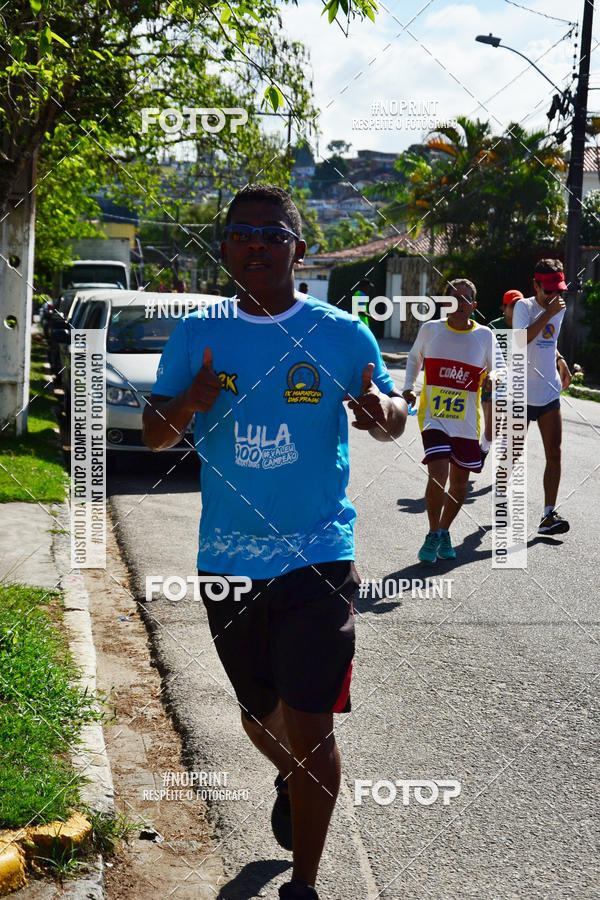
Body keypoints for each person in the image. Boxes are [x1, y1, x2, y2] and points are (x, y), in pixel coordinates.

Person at [142, 183, 407, 900]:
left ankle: (307, 884)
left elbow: (392, 416)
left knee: (312, 722)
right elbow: (154, 433)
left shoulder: (342, 334)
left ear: (298, 248)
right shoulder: (199, 334)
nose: (256, 245)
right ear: (225, 247)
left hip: (319, 554)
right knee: (258, 713)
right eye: (241, 233)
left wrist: (382, 409)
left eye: (271, 234)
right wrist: (187, 405)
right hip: (227, 560)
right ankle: (291, 776)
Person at [402, 278, 504, 563]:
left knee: (460, 482)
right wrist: (409, 386)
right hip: (433, 417)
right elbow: (414, 358)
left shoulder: (485, 336)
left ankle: (445, 531)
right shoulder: (431, 330)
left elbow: (501, 368)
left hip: (466, 422)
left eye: (466, 298)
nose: (460, 303)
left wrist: (494, 377)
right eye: (454, 298)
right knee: (438, 473)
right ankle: (433, 533)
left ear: (474, 306)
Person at [513, 259, 571, 535]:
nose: (553, 296)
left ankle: (548, 515)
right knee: (512, 454)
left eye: (557, 290)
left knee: (555, 453)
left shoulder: (559, 306)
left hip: (549, 392)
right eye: (547, 290)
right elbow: (520, 341)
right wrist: (546, 313)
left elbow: (550, 341)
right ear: (534, 285)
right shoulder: (523, 307)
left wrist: (561, 360)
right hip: (521, 395)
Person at [480, 289, 524, 463]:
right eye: (513, 305)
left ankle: (503, 467)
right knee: (493, 430)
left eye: (520, 305)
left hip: (517, 385)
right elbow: (482, 352)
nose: (516, 309)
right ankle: (483, 448)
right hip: (493, 384)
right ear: (504, 307)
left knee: (509, 429)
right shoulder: (493, 328)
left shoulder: (526, 326)